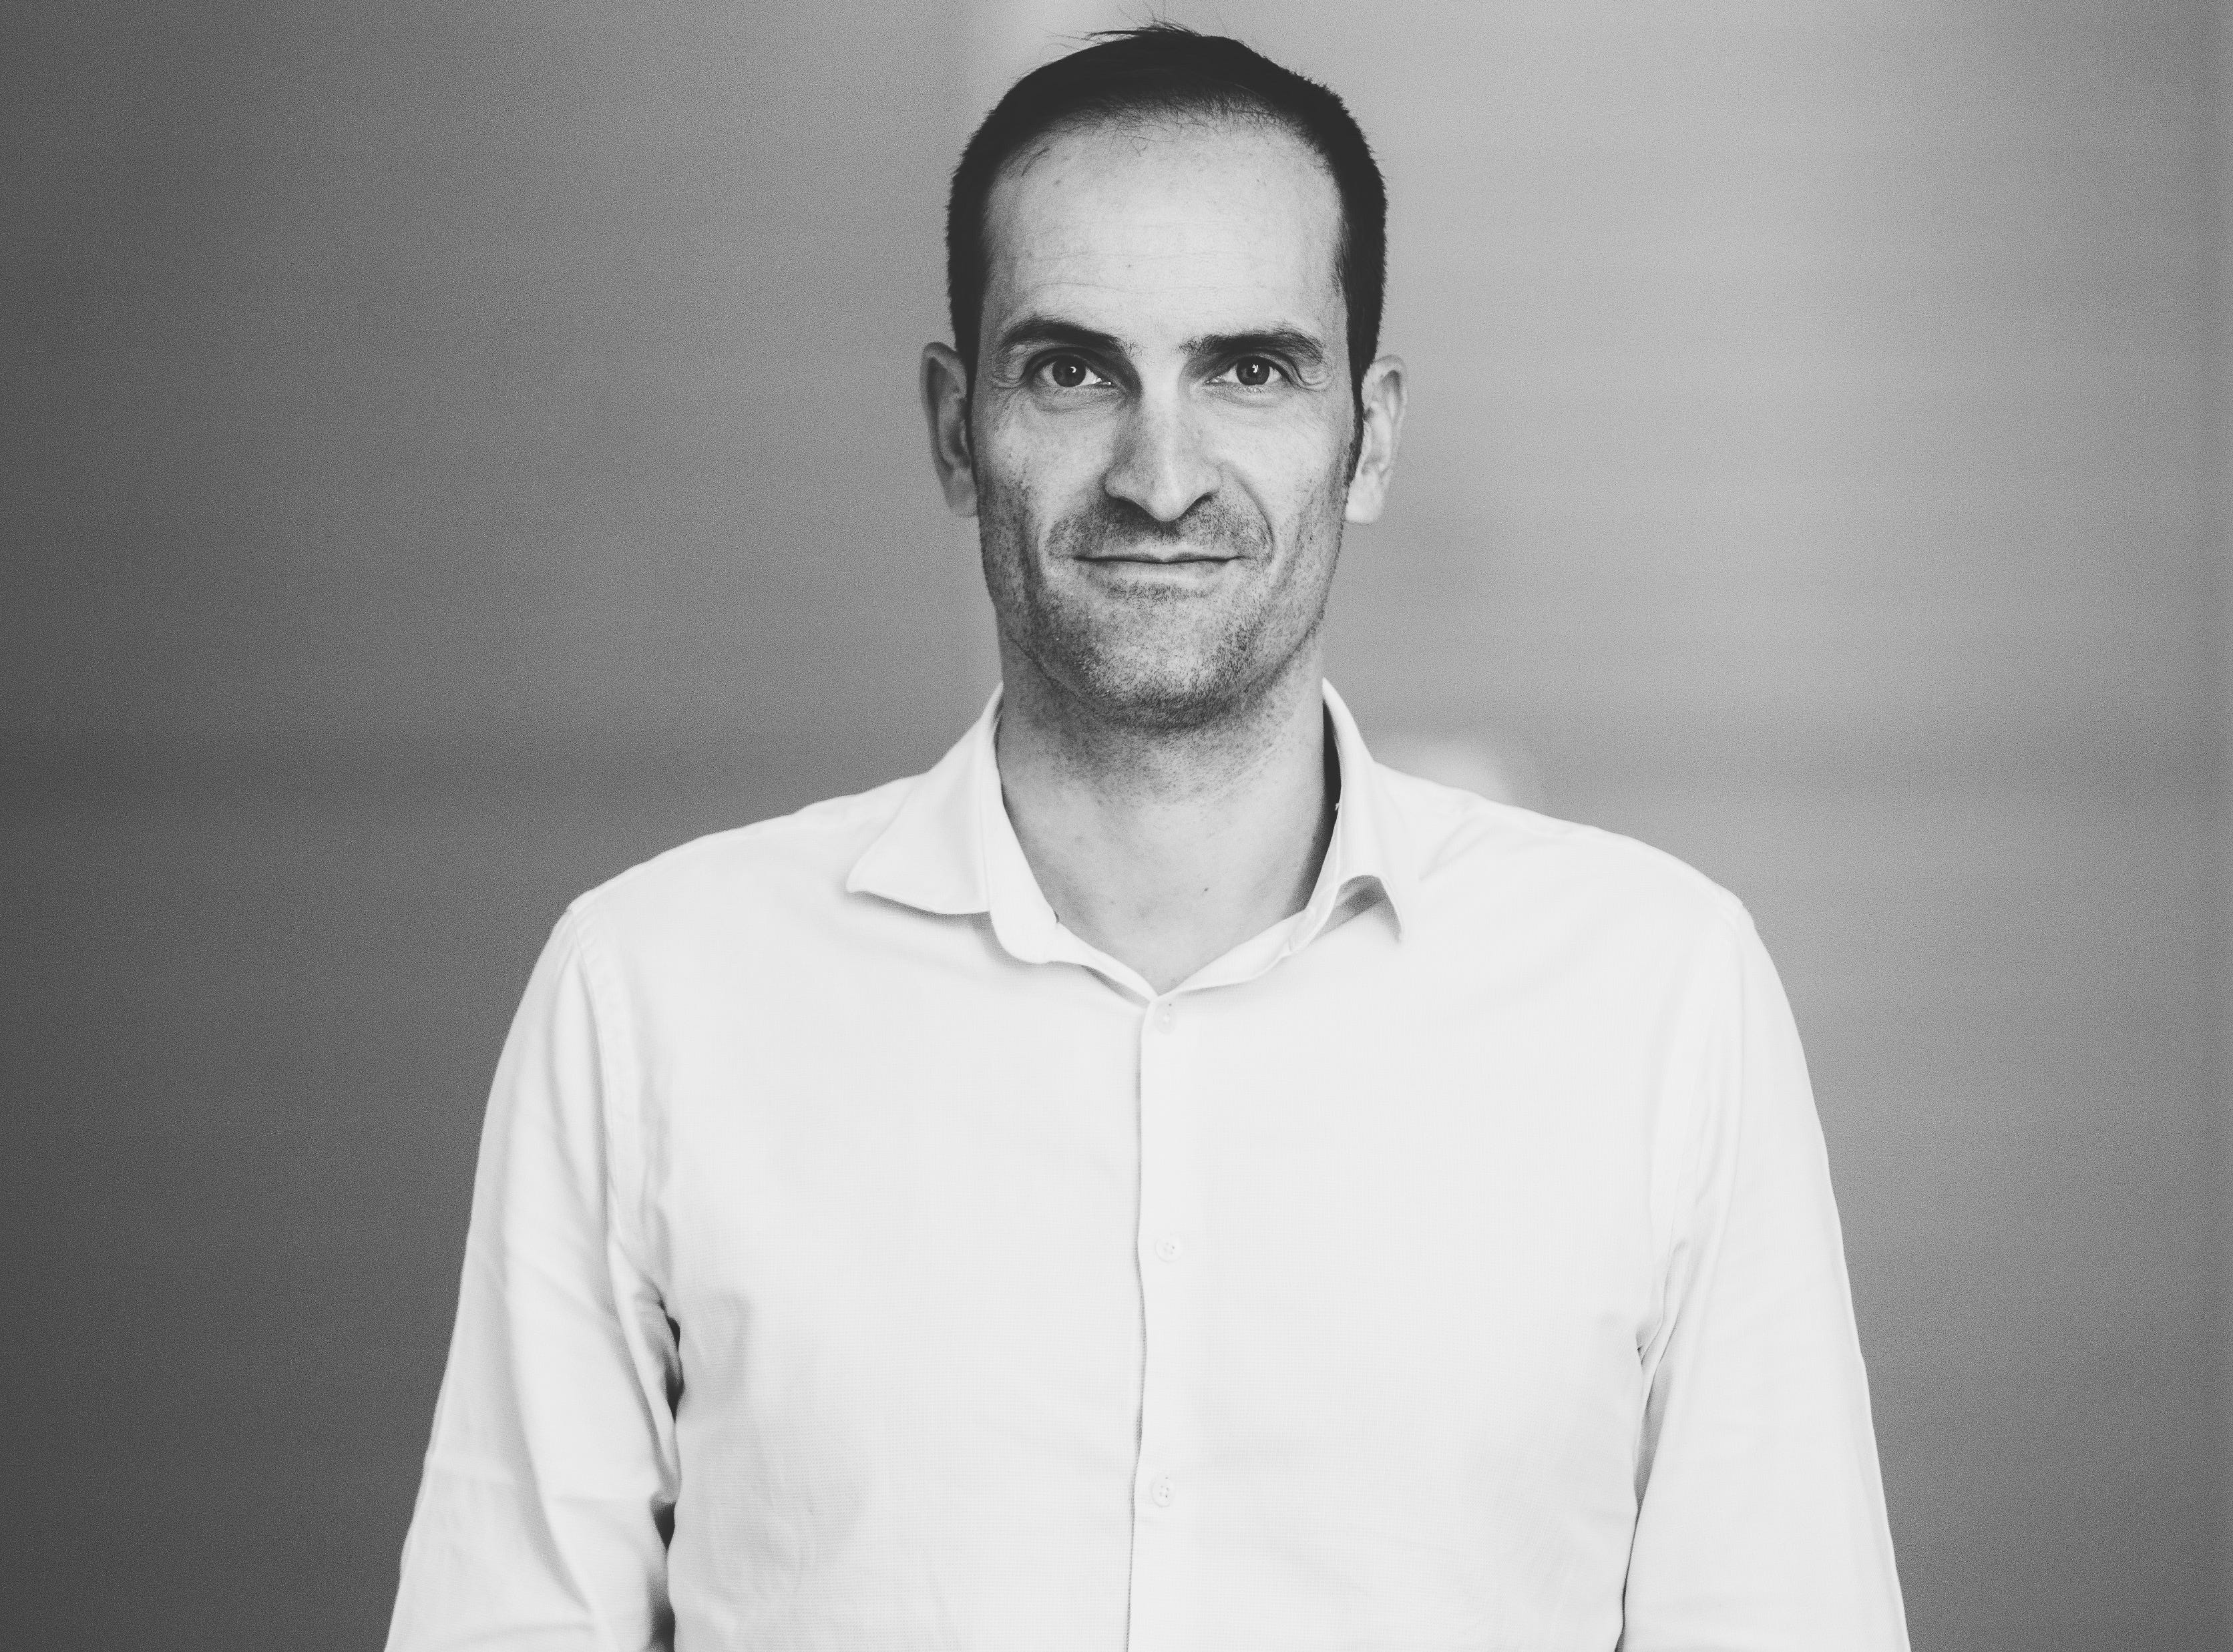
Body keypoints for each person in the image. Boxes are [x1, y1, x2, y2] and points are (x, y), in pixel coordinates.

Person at [386, 25, 1908, 1651]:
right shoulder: (650, 995)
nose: (1161, 476)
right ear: (956, 428)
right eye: (1073, 370)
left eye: (1249, 370)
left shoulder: (1657, 995)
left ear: (1371, 436)